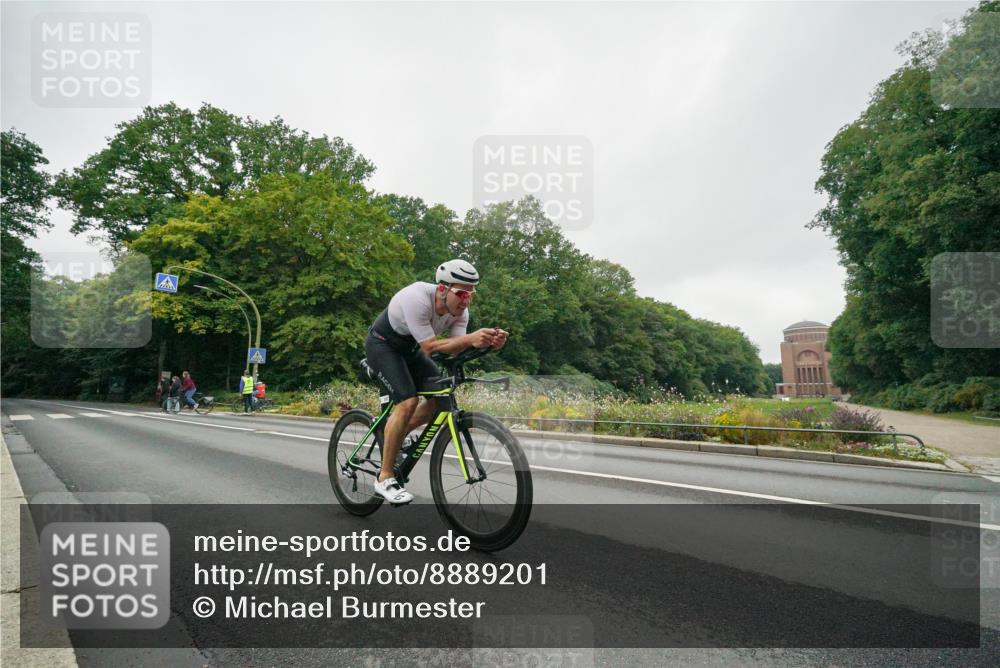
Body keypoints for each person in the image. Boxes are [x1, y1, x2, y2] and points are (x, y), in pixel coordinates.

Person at [364, 259, 508, 504]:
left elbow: (455, 349)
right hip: (383, 346)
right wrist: (471, 338)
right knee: (408, 401)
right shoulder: (417, 298)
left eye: (471, 294)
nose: (466, 300)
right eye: (462, 293)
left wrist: (488, 344)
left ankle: (395, 435)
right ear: (442, 289)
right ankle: (384, 477)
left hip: (412, 350)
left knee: (439, 399)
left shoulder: (460, 313)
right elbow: (430, 347)